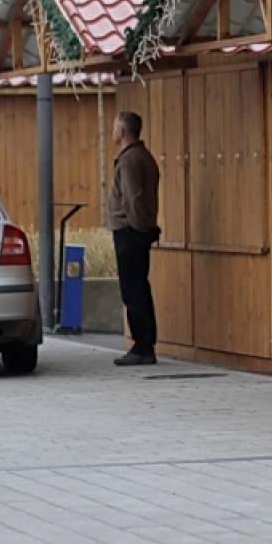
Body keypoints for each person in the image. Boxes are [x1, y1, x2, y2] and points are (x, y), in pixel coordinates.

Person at [108, 110, 161, 366]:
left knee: (133, 291)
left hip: (130, 232)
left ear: (122, 132)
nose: (112, 132)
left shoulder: (129, 161)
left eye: (114, 127)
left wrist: (139, 229)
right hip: (137, 231)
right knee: (140, 287)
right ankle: (145, 344)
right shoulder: (143, 157)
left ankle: (142, 347)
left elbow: (133, 199)